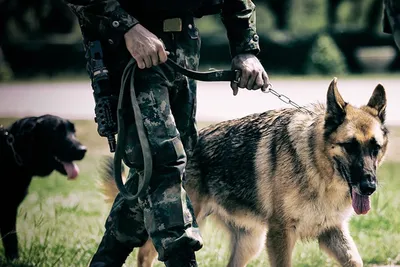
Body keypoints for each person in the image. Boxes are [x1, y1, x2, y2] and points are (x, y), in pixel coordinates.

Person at [64, 0, 270, 266]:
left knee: (162, 170)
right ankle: (183, 260)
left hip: (183, 47)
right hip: (128, 50)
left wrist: (245, 49)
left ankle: (105, 260)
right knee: (164, 163)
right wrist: (128, 27)